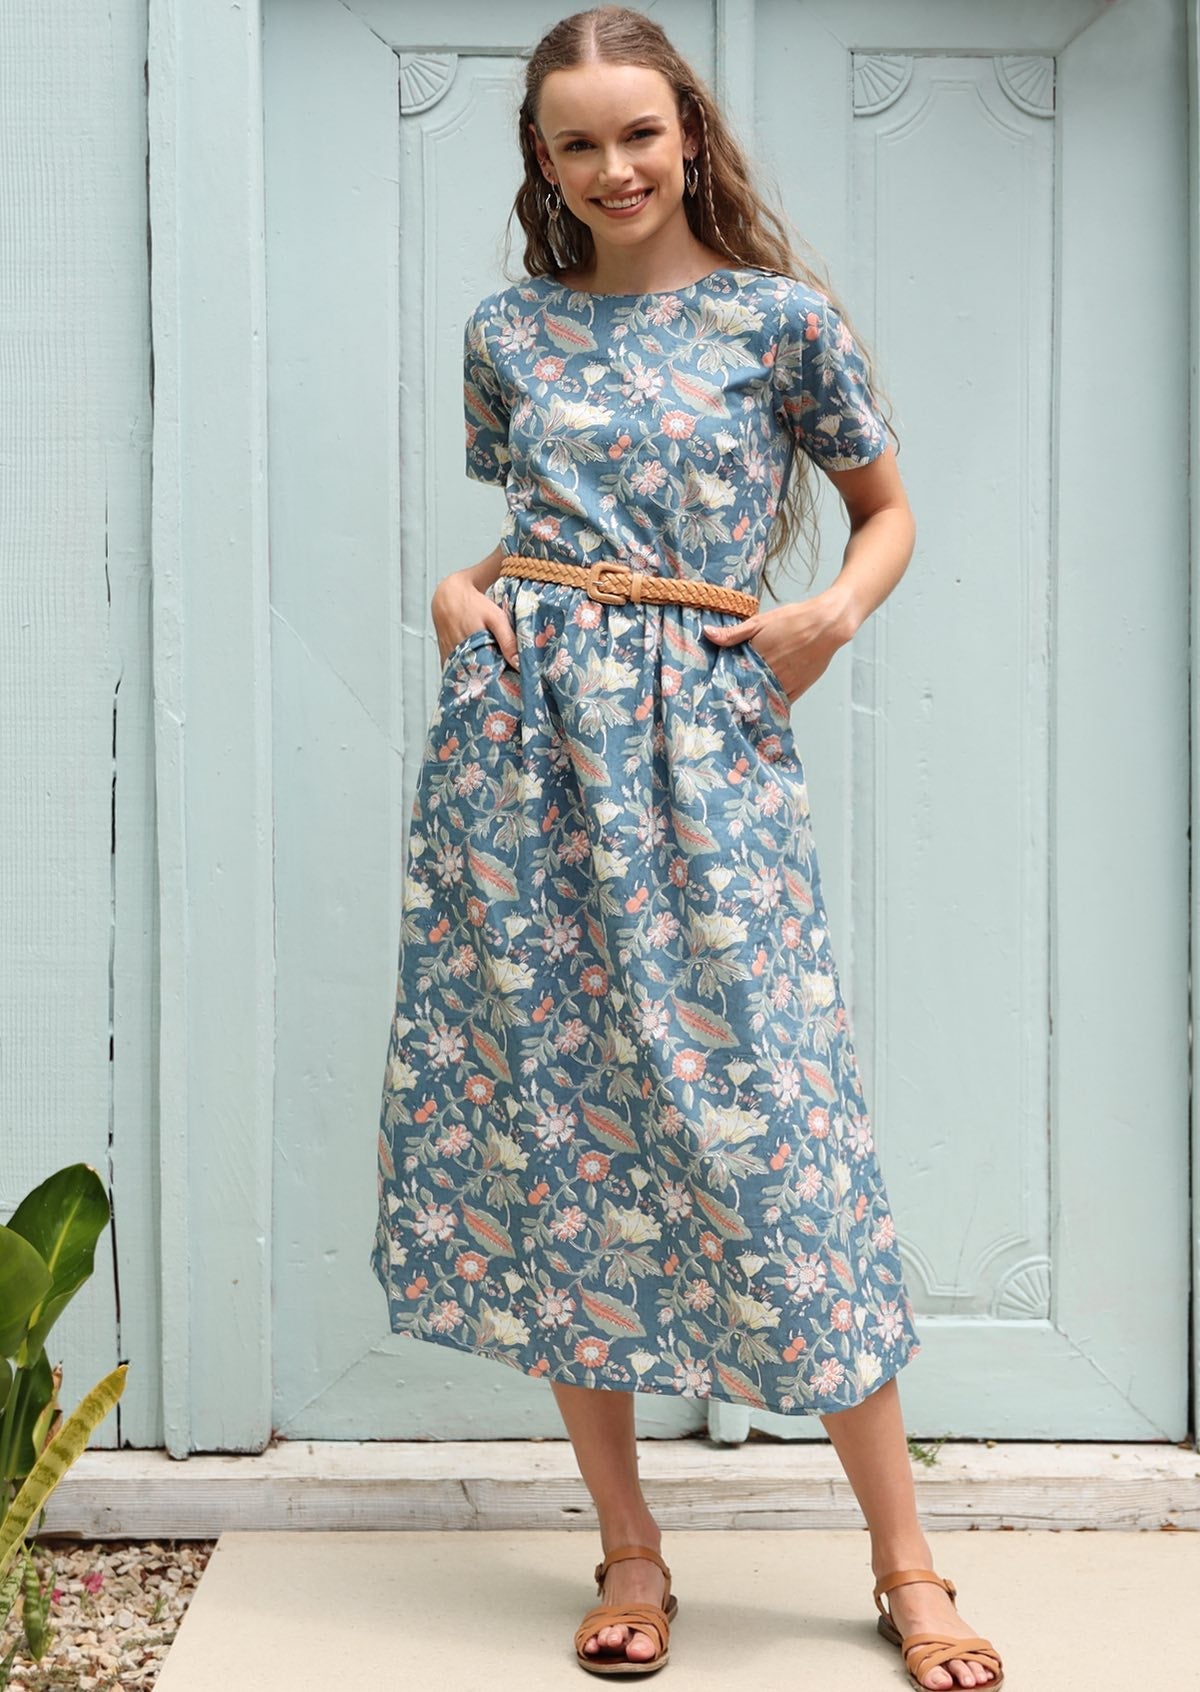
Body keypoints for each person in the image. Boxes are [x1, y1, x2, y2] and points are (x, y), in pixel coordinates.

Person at [371, 7, 1003, 1688]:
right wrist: (463, 593)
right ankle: (632, 1552)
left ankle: (906, 1561)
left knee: (776, 1133)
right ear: (542, 160)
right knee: (562, 1133)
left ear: (690, 132)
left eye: (637, 133)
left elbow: (888, 510)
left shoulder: (778, 321)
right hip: (520, 758)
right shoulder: (510, 328)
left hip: (707, 751)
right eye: (575, 144)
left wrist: (829, 625)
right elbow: (530, 535)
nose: (613, 168)